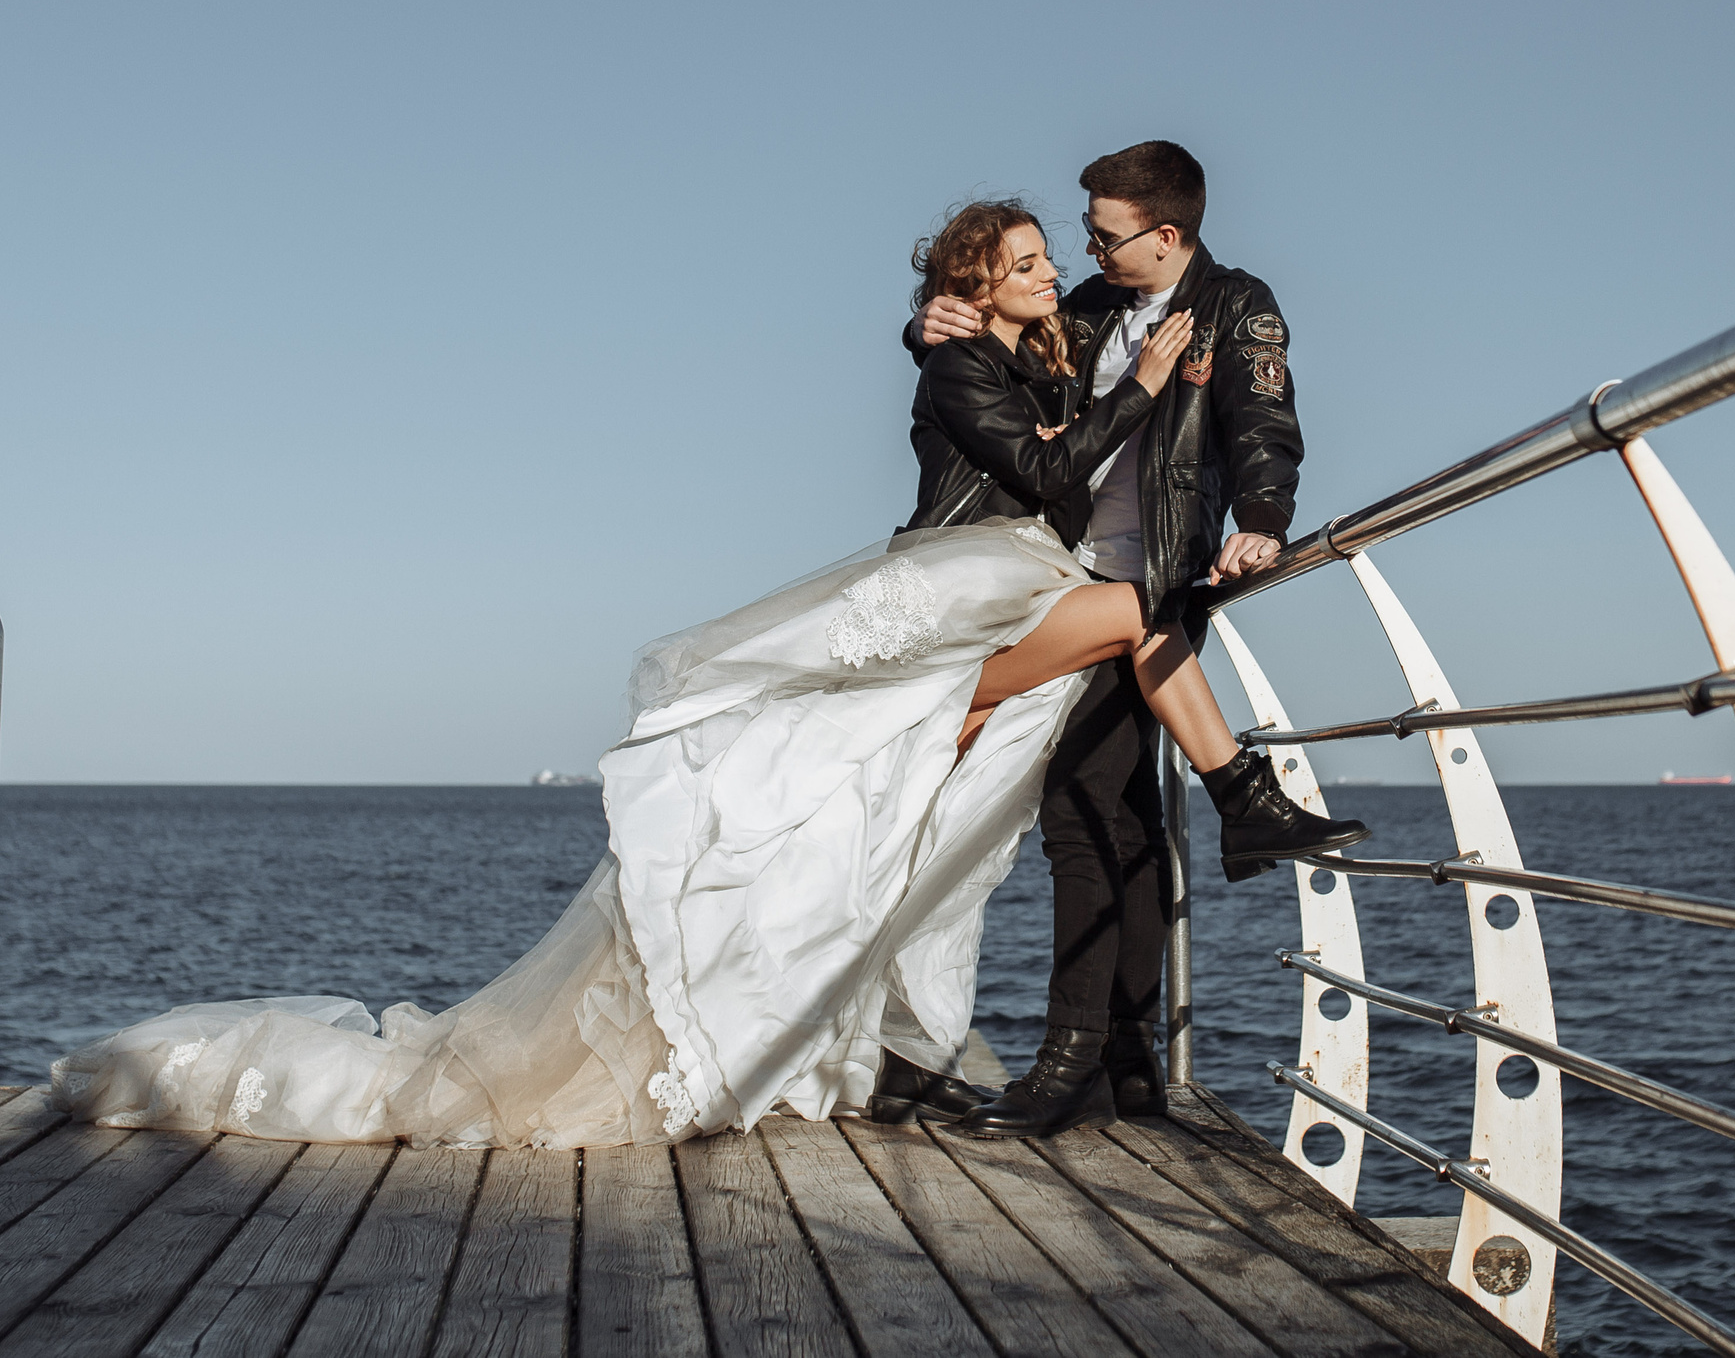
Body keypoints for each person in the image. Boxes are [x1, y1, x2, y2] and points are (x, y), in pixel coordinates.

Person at [44, 193, 1361, 1150]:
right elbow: (1055, 465)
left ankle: (1216, 820)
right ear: (977, 276)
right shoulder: (965, 357)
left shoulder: (1043, 336)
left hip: (1001, 595)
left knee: (919, 823)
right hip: (946, 599)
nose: (1054, 264)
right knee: (1095, 643)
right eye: (1024, 256)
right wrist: (1093, 370)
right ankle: (1239, 798)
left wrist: (1177, 418)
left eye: (1057, 251)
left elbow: (1128, 392)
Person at [905, 143, 1349, 1141]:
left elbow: (1263, 420)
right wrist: (920, 321)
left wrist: (1265, 515)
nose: (1087, 252)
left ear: (1166, 233)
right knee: (1115, 817)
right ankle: (1122, 1059)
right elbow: (989, 353)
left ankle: (1076, 1064)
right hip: (1060, 579)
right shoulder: (1097, 310)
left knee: (1084, 815)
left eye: (1105, 235)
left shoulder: (1237, 305)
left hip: (1146, 582)